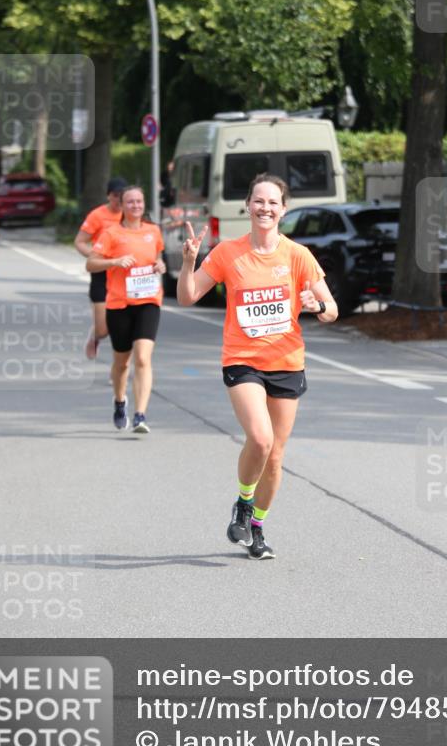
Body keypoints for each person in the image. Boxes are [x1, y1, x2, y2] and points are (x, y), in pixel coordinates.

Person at [177, 173, 338, 560]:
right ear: (247, 206)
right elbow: (187, 296)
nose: (265, 208)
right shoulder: (228, 253)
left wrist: (319, 308)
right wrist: (188, 263)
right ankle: (244, 503)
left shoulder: (298, 255)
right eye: (258, 201)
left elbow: (331, 308)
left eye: (273, 202)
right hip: (242, 359)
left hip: (287, 360)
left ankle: (258, 527)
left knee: (276, 455)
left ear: (283, 210)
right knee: (261, 439)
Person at [86, 185, 165, 433]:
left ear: (144, 204)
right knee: (122, 363)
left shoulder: (153, 231)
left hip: (148, 301)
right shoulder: (111, 233)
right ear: (123, 205)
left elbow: (157, 257)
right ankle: (120, 401)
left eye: (139, 202)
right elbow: (90, 263)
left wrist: (160, 266)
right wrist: (114, 262)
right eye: (130, 202)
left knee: (143, 357)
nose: (135, 206)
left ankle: (140, 415)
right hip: (119, 304)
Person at [75, 177, 128, 359]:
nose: (118, 200)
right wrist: (95, 256)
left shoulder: (131, 215)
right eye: (115, 196)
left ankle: (120, 366)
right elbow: (80, 242)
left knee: (122, 326)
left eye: (122, 196)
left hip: (123, 274)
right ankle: (96, 335)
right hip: (102, 273)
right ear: (108, 196)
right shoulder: (97, 215)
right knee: (103, 330)